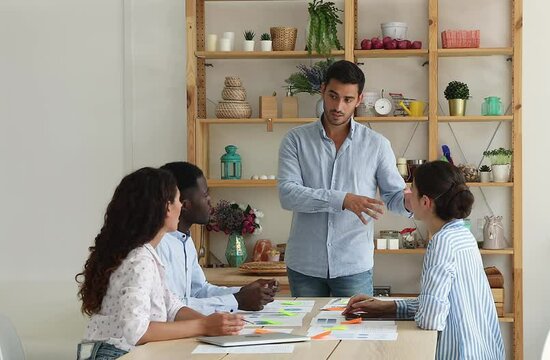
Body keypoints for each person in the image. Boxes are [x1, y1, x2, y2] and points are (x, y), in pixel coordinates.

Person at [76, 168, 244, 359]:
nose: (182, 206)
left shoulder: (145, 254)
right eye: (178, 200)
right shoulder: (140, 260)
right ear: (166, 207)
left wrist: (217, 323)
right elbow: (136, 331)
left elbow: (172, 307)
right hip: (115, 354)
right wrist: (203, 326)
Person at [342, 161, 505, 360]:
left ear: (426, 202)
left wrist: (411, 309)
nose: (407, 193)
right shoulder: (463, 235)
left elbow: (431, 319)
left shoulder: (441, 243)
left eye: (412, 189)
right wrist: (388, 306)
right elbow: (441, 304)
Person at [278, 60, 412, 297]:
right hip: (304, 266)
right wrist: (343, 200)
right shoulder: (295, 140)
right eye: (333, 96)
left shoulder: (377, 145)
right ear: (322, 90)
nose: (338, 106)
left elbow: (393, 196)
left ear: (359, 100)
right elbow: (288, 194)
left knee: (355, 333)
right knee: (305, 333)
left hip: (353, 267)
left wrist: (411, 202)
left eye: (348, 99)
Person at [157, 161, 277, 314]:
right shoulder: (159, 244)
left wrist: (246, 292)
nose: (210, 200)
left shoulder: (183, 239)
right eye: (205, 194)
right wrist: (238, 300)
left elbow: (199, 291)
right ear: (184, 204)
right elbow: (172, 308)